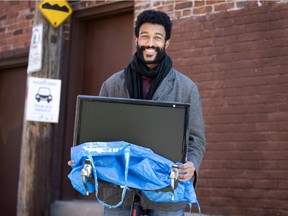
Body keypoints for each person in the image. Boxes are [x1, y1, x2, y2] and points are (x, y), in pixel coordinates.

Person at [97, 9, 206, 216]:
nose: (150, 43)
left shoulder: (186, 88)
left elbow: (196, 139)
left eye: (157, 37)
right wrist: (86, 155)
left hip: (166, 191)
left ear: (166, 43)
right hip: (120, 191)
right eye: (145, 36)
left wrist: (192, 165)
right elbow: (100, 135)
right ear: (137, 39)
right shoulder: (112, 85)